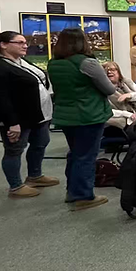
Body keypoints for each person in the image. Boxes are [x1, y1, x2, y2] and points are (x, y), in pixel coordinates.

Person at [0, 30, 57, 198]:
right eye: (19, 42)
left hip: (38, 115)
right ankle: (15, 186)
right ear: (4, 45)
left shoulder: (20, 61)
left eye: (25, 42)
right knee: (14, 150)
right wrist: (12, 123)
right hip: (16, 119)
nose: (25, 45)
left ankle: (35, 176)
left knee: (40, 143)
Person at [47, 28, 114, 211]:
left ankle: (73, 191)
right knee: (86, 156)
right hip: (89, 115)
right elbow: (109, 89)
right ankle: (83, 196)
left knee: (75, 153)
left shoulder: (53, 63)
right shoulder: (87, 63)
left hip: (67, 116)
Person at [103, 61, 136, 129]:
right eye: (106, 70)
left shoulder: (126, 82)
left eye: (112, 70)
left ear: (118, 72)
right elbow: (106, 111)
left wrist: (129, 95)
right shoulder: (103, 89)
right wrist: (128, 114)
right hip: (123, 117)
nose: (109, 72)